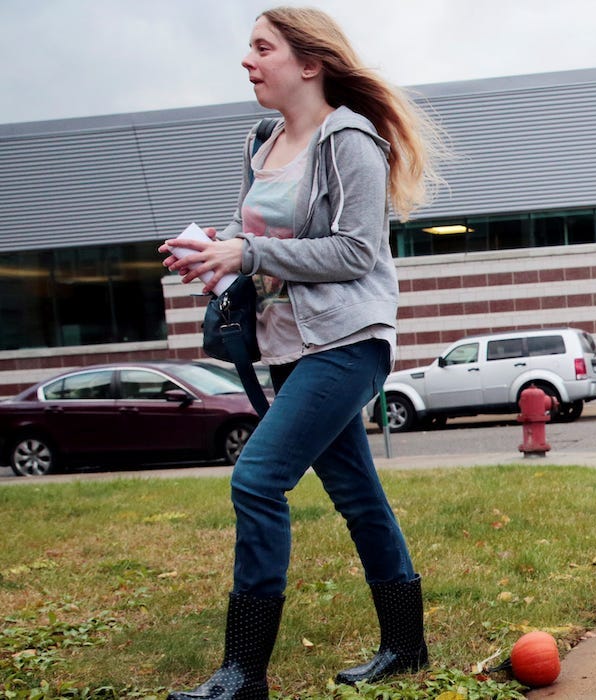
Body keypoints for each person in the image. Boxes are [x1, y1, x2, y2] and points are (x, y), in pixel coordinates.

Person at [159, 7, 440, 696]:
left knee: (256, 479)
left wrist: (246, 251)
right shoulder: (263, 139)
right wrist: (210, 250)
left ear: (309, 63)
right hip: (290, 345)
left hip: (347, 341)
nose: (248, 61)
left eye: (263, 48)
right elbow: (245, 223)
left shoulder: (350, 139)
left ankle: (242, 671)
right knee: (357, 494)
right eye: (248, 48)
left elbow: (356, 249)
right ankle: (406, 646)